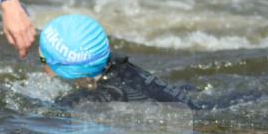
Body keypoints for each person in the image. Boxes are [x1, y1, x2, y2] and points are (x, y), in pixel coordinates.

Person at [40, 15, 200, 109]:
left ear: (70, 68)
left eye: (43, 58)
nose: (42, 64)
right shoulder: (117, 65)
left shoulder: (87, 100)